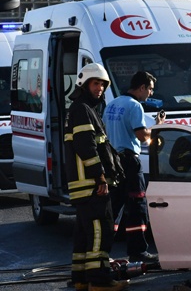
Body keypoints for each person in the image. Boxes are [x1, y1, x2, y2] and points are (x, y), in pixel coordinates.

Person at [64, 63, 128, 291]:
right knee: (101, 231)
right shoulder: (82, 110)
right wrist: (100, 178)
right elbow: (86, 147)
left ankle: (81, 278)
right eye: (95, 83)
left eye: (102, 84)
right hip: (92, 185)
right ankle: (100, 281)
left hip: (84, 186)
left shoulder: (84, 109)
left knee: (84, 233)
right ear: (84, 85)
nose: (99, 88)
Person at [103, 71, 164, 263]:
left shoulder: (111, 105)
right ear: (142, 87)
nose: (151, 94)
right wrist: (156, 133)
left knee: (113, 206)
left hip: (112, 161)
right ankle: (138, 251)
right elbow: (141, 136)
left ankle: (101, 251)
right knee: (137, 206)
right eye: (150, 89)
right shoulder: (135, 106)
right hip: (129, 161)